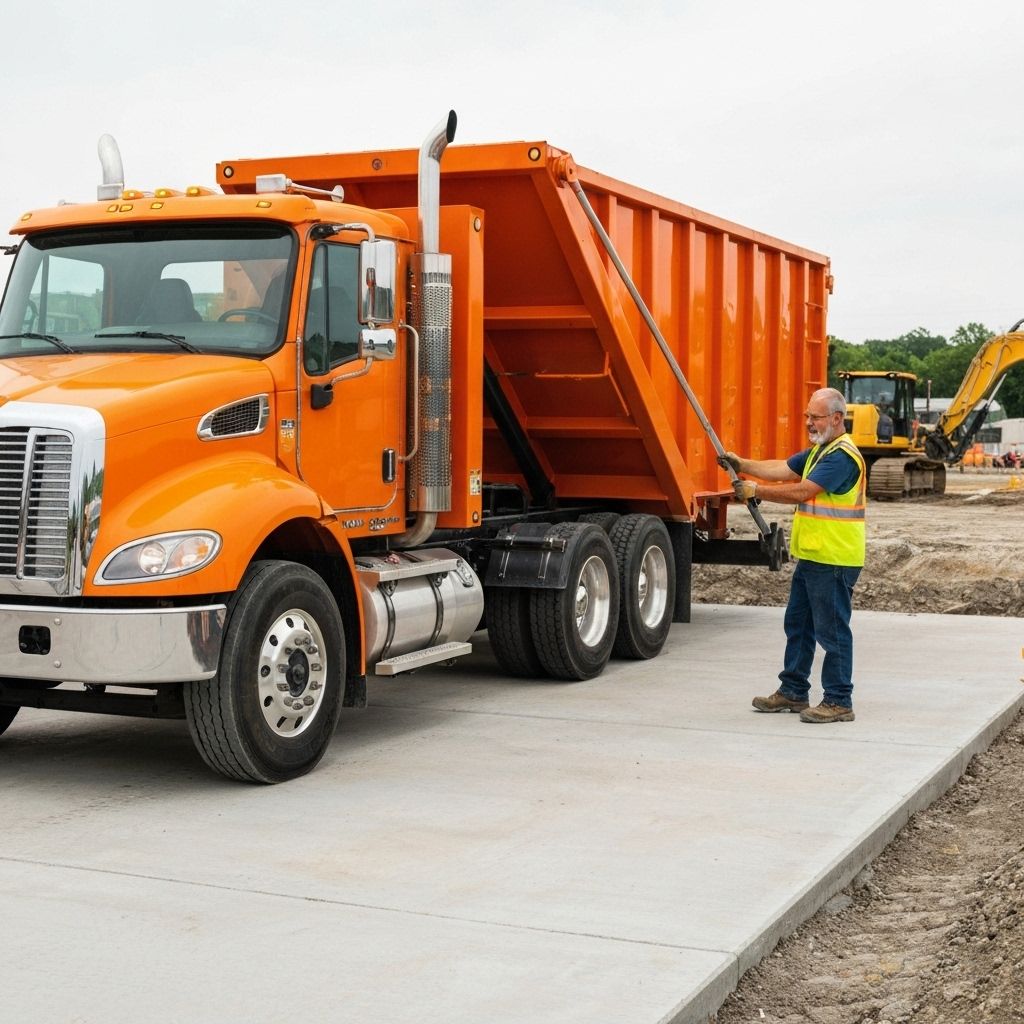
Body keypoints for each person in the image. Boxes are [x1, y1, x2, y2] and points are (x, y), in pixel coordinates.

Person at [720, 387, 866, 724]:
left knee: (832, 632)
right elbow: (784, 469)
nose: (808, 423)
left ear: (836, 418)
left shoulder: (841, 456)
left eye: (814, 417)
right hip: (814, 556)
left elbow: (803, 490)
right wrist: (743, 464)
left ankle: (839, 700)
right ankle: (794, 690)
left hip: (834, 559)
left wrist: (757, 491)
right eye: (807, 416)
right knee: (798, 625)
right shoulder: (820, 451)